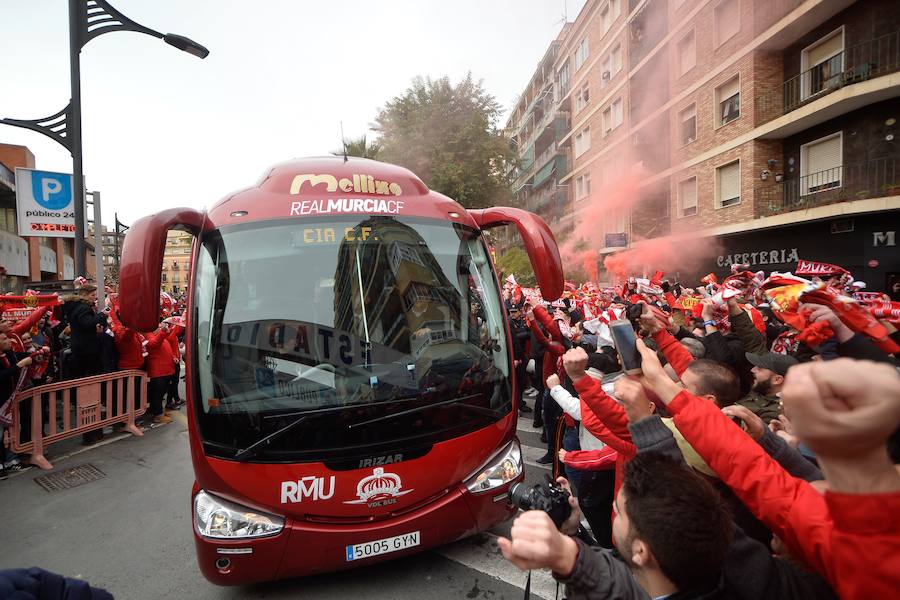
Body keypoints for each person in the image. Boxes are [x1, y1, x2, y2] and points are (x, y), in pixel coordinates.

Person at [499, 452, 734, 599]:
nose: (611, 507)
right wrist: (571, 529)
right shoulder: (706, 568)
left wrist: (565, 559)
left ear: (641, 552)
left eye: (619, 511)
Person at [61, 284, 106, 379]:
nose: (95, 297)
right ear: (85, 295)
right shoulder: (83, 308)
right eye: (93, 295)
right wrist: (102, 314)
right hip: (87, 348)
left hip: (78, 345)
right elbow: (88, 324)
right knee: (88, 375)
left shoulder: (74, 306)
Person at [740, 351, 797, 423]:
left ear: (777, 379)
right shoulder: (763, 388)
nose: (752, 370)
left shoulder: (774, 414)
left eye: (760, 368)